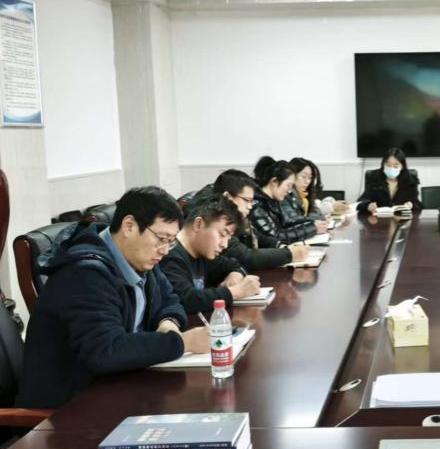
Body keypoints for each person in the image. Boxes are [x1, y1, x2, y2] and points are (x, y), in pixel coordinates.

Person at [16, 187, 211, 409]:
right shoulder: (85, 274)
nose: (165, 250)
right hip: (69, 409)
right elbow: (106, 350)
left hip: (117, 388)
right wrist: (183, 342)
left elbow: (170, 300)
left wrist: (168, 323)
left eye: (171, 241)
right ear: (129, 226)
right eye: (161, 238)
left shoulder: (139, 259)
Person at [161, 195, 262, 314]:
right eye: (222, 234)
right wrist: (236, 292)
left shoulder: (202, 251)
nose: (224, 244)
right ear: (198, 224)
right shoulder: (169, 255)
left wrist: (235, 275)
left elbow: (234, 265)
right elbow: (186, 300)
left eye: (228, 238)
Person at [197, 169, 310, 270]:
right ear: (227, 197)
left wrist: (280, 246)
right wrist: (289, 254)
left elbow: (257, 236)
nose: (250, 206)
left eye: (251, 201)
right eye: (247, 200)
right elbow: (245, 257)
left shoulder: (236, 218)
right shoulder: (215, 219)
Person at [250, 157, 328, 244]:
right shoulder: (257, 205)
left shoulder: (273, 201)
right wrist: (313, 228)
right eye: (288, 185)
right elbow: (275, 237)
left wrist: (313, 224)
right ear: (274, 181)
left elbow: (287, 224)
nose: (289, 191)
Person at [356, 147, 423, 215]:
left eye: (396, 166)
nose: (391, 168)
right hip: (379, 219)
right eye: (388, 165)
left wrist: (411, 205)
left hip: (401, 219)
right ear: (383, 164)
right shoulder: (374, 177)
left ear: (402, 167)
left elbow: (418, 204)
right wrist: (368, 206)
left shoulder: (410, 180)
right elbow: (361, 202)